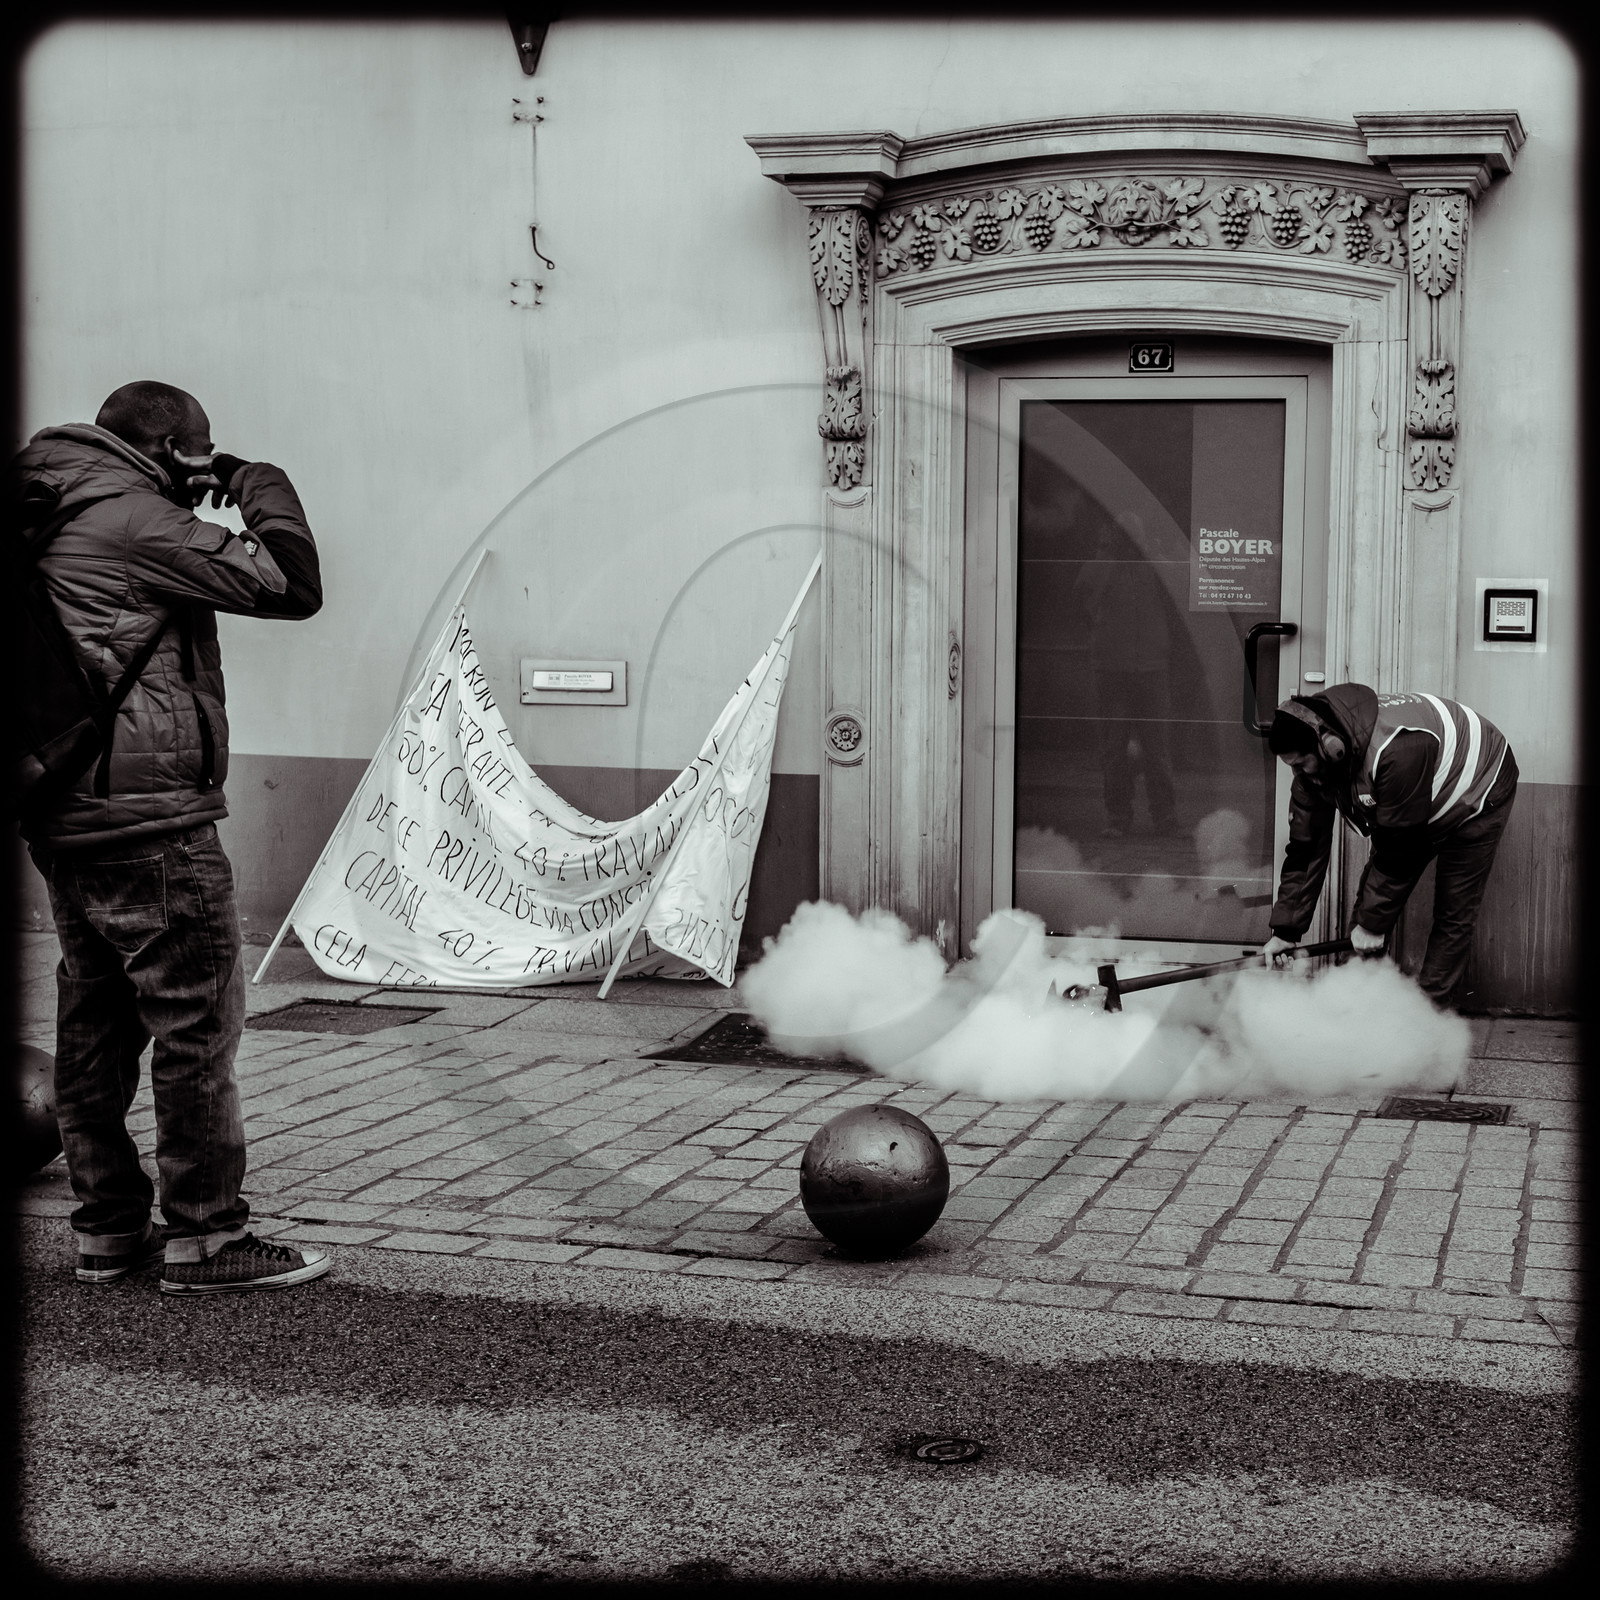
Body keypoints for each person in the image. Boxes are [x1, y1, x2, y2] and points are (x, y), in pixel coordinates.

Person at [10, 380, 333, 1293]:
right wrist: (253, 476)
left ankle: (109, 1231)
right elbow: (289, 584)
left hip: (64, 809)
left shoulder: (44, 500)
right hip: (152, 820)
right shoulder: (132, 520)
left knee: (95, 1029)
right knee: (195, 1029)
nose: (204, 471)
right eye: (198, 453)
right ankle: (208, 1238)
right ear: (166, 447)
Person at [1260, 683, 1518, 1010]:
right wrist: (1286, 930)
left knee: (1453, 908)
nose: (1297, 774)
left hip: (1479, 788)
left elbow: (1398, 849)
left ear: (1330, 747)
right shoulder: (1315, 771)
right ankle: (1357, 1003)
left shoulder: (1397, 749)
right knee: (1373, 901)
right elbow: (1305, 850)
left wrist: (1371, 925)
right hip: (1414, 802)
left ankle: (1426, 1018)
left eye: (1300, 764)